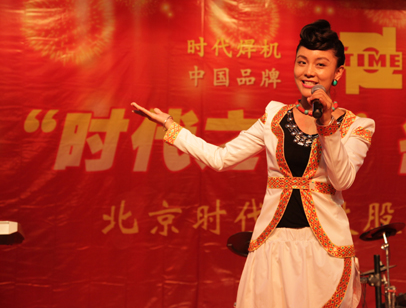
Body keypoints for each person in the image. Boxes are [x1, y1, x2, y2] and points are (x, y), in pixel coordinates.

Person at [131, 19, 375, 308]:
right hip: (272, 247)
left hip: (324, 250)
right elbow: (221, 158)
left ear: (338, 72)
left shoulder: (356, 126)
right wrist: (172, 127)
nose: (309, 72)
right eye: (302, 62)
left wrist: (326, 124)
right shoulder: (273, 117)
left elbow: (342, 180)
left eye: (320, 65)